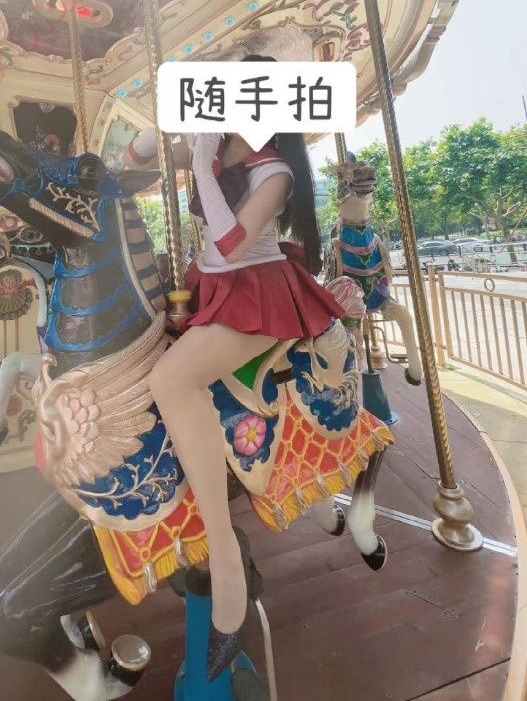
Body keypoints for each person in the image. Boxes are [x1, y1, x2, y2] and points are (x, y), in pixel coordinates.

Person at [125, 49, 345, 680]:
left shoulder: (275, 172)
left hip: (256, 290)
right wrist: (163, 123)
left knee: (171, 379)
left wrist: (198, 159)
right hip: (209, 286)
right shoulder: (218, 146)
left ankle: (224, 555)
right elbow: (136, 161)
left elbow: (229, 245)